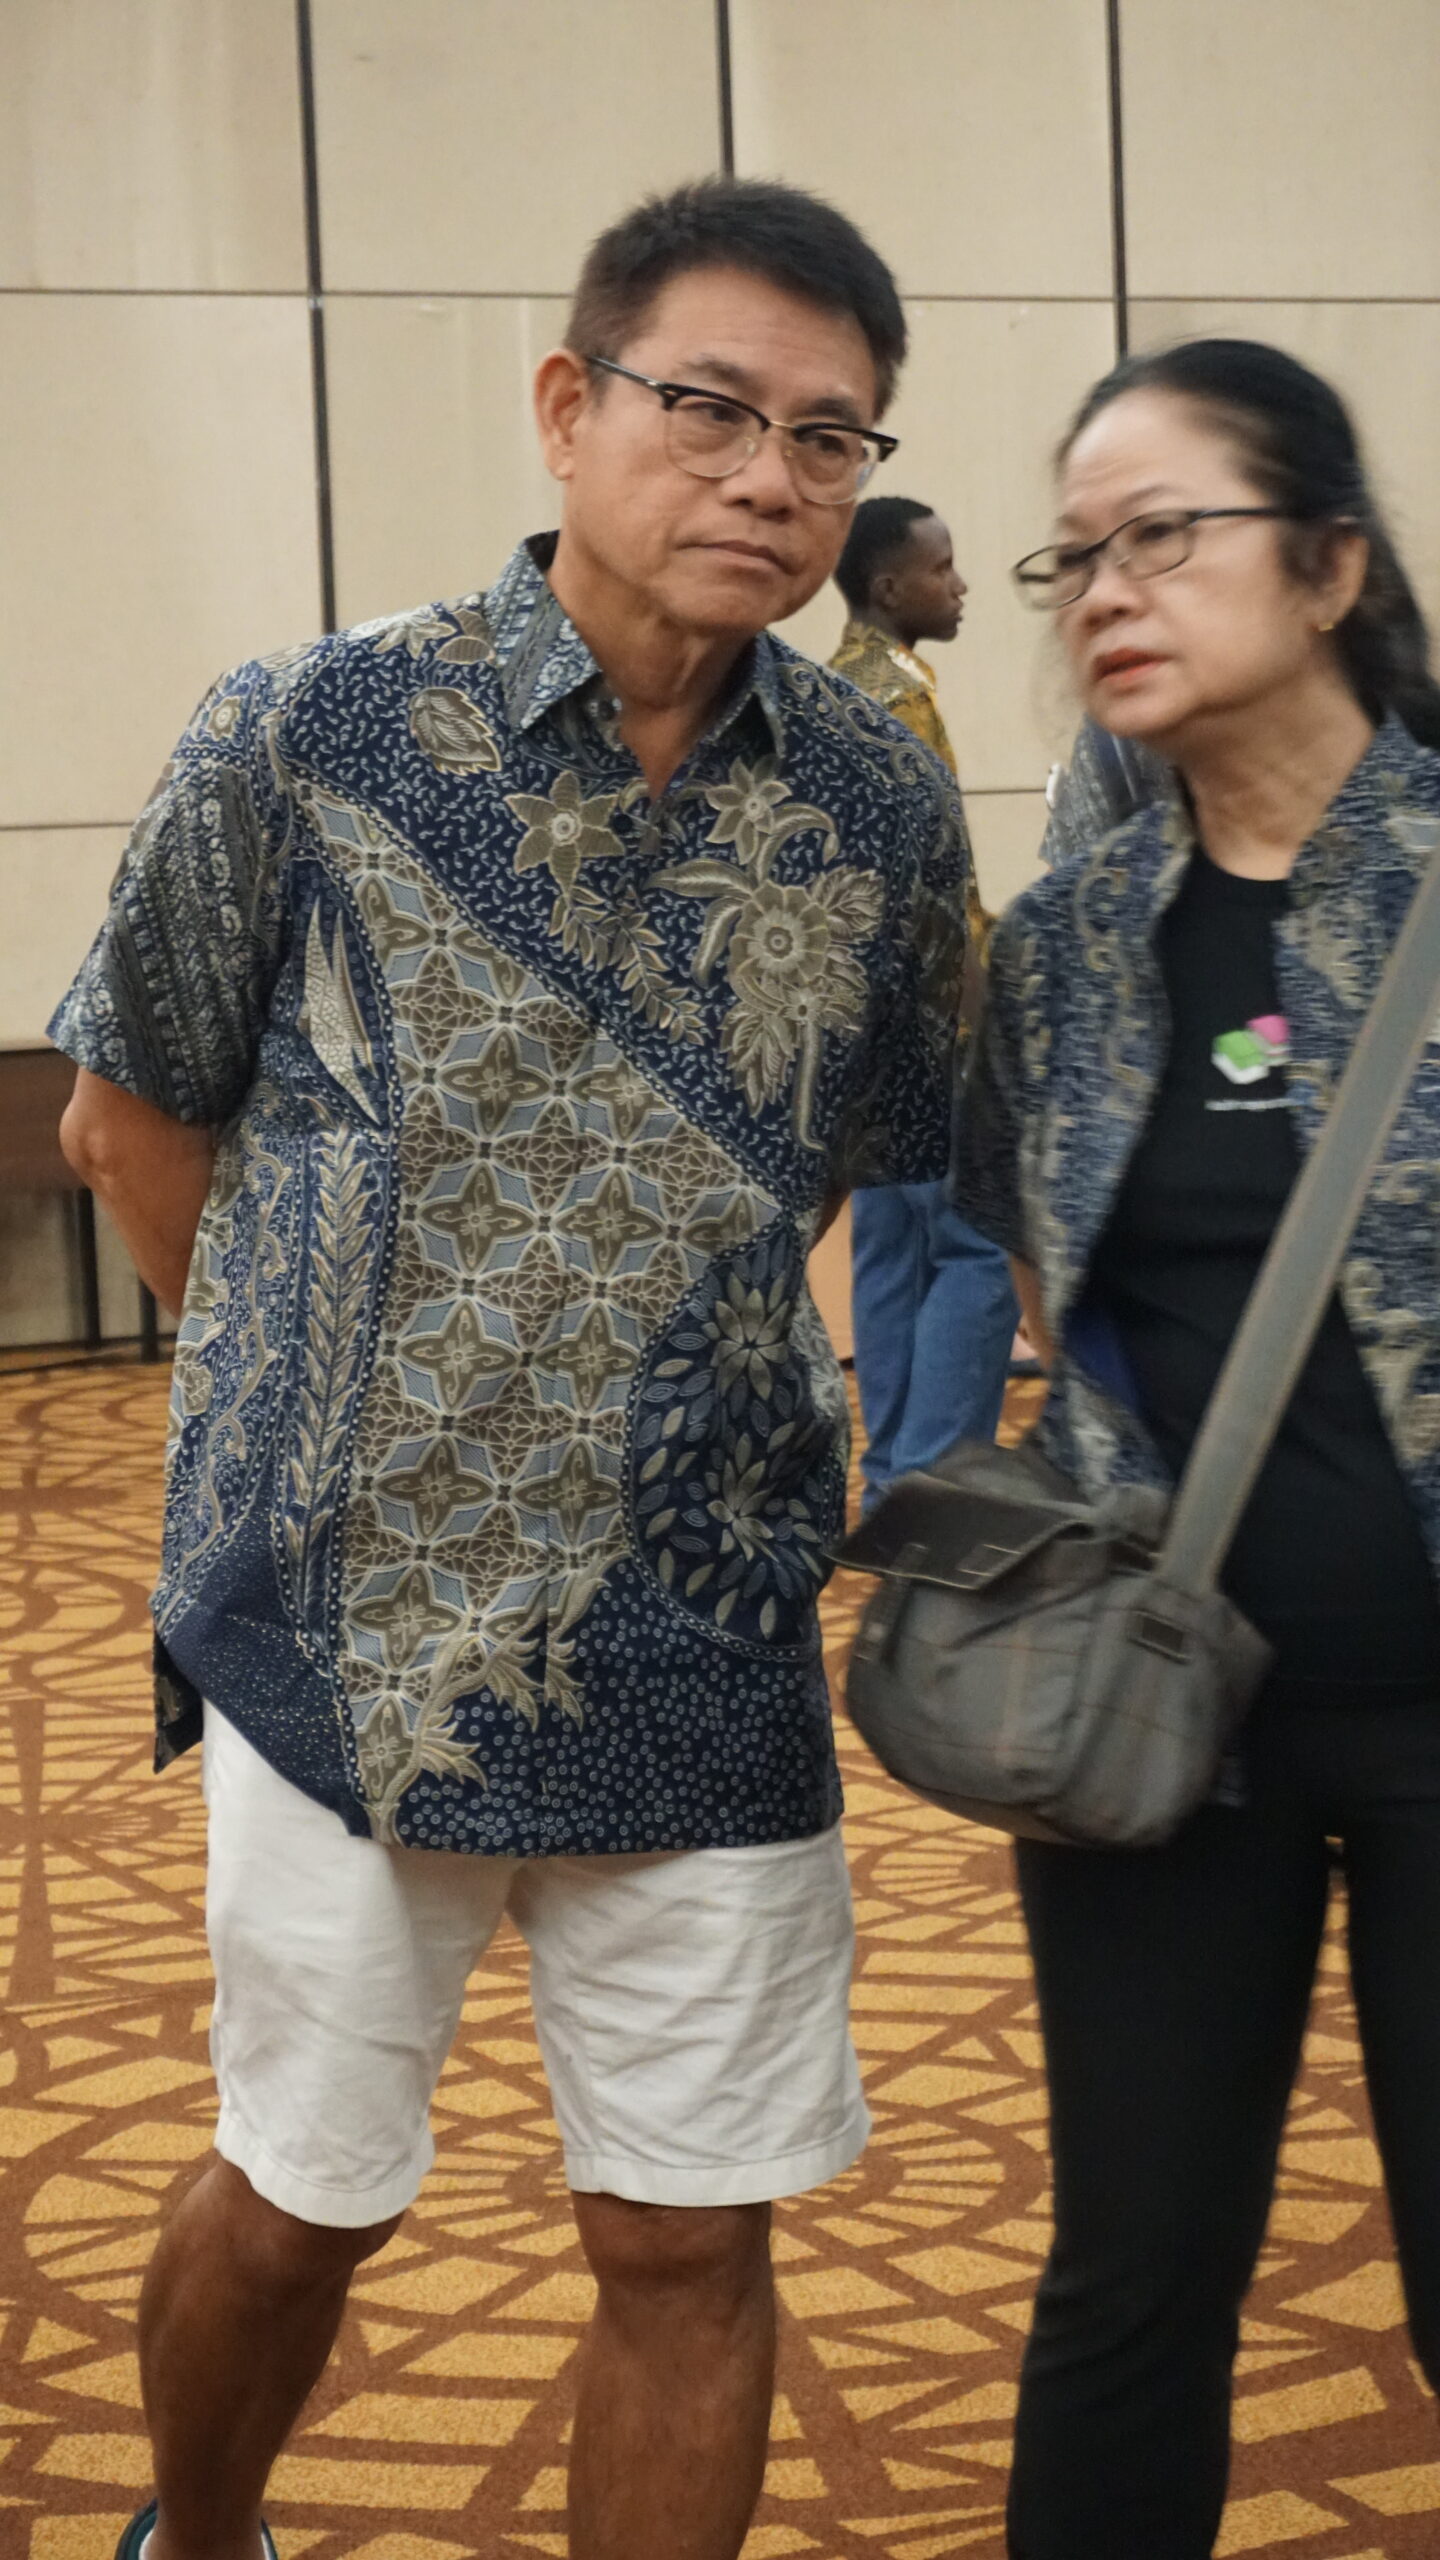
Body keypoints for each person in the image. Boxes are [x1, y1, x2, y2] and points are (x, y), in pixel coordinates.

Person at [52, 177, 969, 2560]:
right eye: (711, 409)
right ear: (568, 406)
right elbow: (127, 1120)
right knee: (302, 2195)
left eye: (830, 438)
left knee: (688, 2231)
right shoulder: (311, 730)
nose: (770, 477)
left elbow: (877, 1162)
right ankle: (202, 2533)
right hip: (349, 1622)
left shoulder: (873, 801)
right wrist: (299, 1389)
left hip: (705, 1628)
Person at [955, 336, 1440, 2560]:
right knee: (1133, 2279)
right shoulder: (1067, 947)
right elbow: (1043, 1272)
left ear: (1331, 565)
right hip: (1165, 1718)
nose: (1105, 592)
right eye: (1075, 555)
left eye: (1165, 534)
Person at [828, 497, 1017, 1506]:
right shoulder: (897, 697)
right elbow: (927, 883)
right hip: (928, 1020)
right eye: (943, 568)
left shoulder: (830, 685)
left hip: (862, 1021)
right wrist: (978, 1014)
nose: (960, 585)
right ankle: (937, 1482)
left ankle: (891, 1482)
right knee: (980, 1242)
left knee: (891, 1247)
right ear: (889, 586)